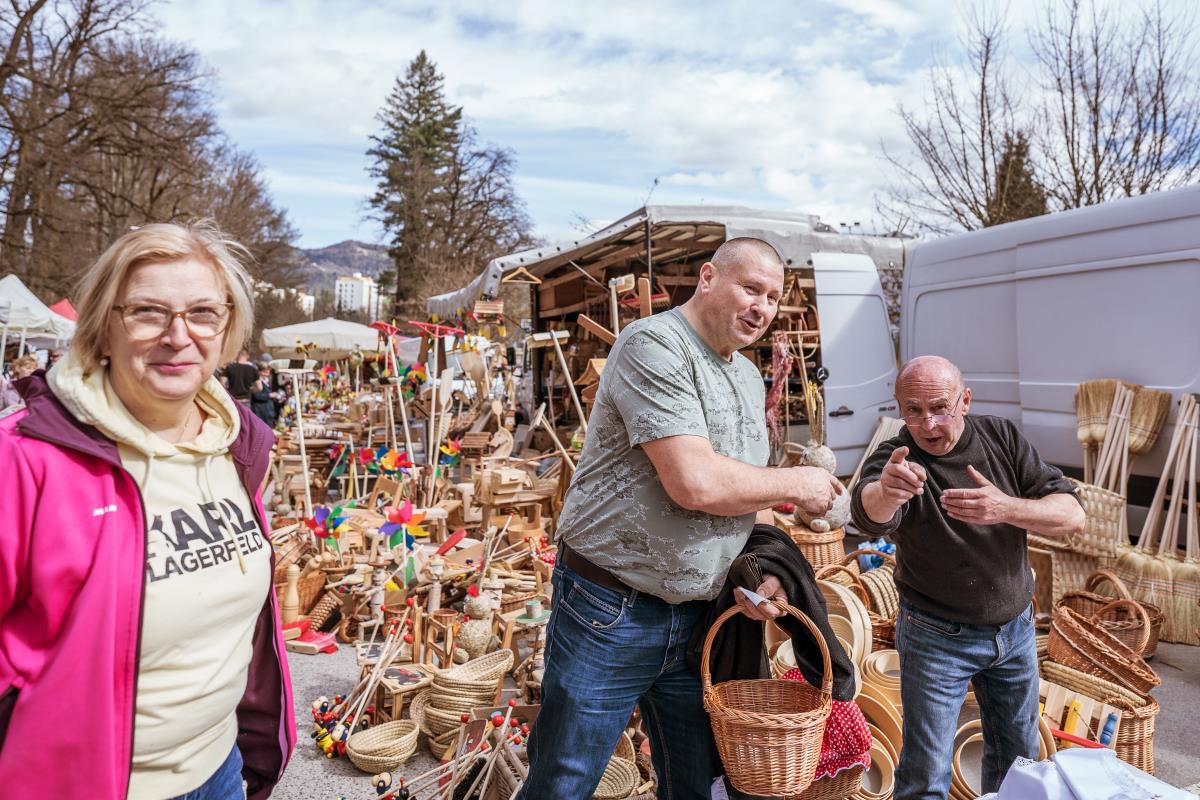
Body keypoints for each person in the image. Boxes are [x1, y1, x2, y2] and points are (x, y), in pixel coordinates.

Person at [517, 238, 844, 799]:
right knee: (564, 782)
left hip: (701, 617)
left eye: (772, 297)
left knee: (696, 785)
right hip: (612, 609)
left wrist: (762, 569)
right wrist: (798, 483)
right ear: (708, 278)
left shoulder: (747, 376)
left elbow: (747, 488)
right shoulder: (654, 345)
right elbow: (694, 482)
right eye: (750, 288)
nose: (762, 308)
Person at [0, 221, 295, 799]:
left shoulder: (238, 447)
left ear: (228, 328)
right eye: (147, 312)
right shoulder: (25, 458)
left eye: (203, 313)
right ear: (103, 328)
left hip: (220, 768)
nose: (178, 336)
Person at [850, 355, 1085, 800]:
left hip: (1015, 632)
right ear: (900, 408)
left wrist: (1005, 507)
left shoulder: (1001, 437)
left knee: (1019, 766)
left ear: (965, 401)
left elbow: (1072, 515)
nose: (928, 424)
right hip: (935, 638)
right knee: (926, 775)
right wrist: (888, 492)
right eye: (914, 410)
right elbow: (868, 511)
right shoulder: (897, 457)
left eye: (940, 407)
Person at [250, 363, 279, 427]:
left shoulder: (267, 381)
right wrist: (269, 395)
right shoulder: (256, 382)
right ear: (259, 372)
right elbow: (256, 396)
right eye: (265, 372)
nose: (267, 374)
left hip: (268, 412)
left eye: (268, 373)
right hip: (260, 412)